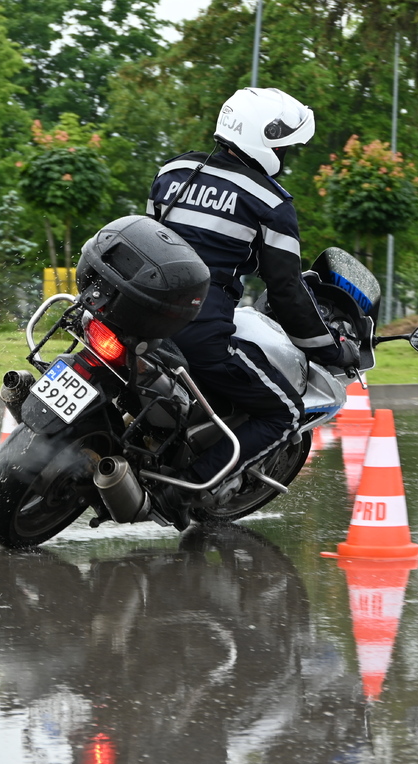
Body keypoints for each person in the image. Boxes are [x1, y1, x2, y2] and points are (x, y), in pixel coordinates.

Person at [146, 87, 359, 500]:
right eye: (285, 147)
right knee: (284, 413)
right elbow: (285, 291)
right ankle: (183, 492)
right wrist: (330, 349)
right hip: (196, 333)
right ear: (265, 139)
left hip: (130, 315)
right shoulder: (270, 202)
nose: (286, 157)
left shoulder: (171, 171)